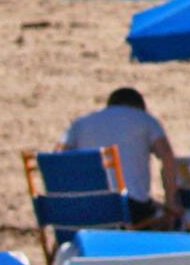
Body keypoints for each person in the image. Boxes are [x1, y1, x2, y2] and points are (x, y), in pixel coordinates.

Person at [61, 87, 183, 229]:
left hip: (82, 211)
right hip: (127, 211)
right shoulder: (146, 120)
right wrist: (171, 201)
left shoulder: (79, 124)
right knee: (173, 219)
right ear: (139, 108)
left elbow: (57, 159)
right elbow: (167, 157)